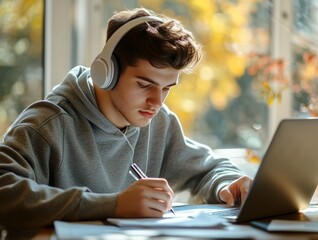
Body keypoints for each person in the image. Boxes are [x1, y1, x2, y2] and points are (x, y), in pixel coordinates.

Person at [0, 7, 252, 230]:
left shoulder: (159, 122)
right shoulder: (48, 124)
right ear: (106, 72)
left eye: (167, 88)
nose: (157, 102)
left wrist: (227, 185)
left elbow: (209, 169)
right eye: (145, 85)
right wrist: (113, 204)